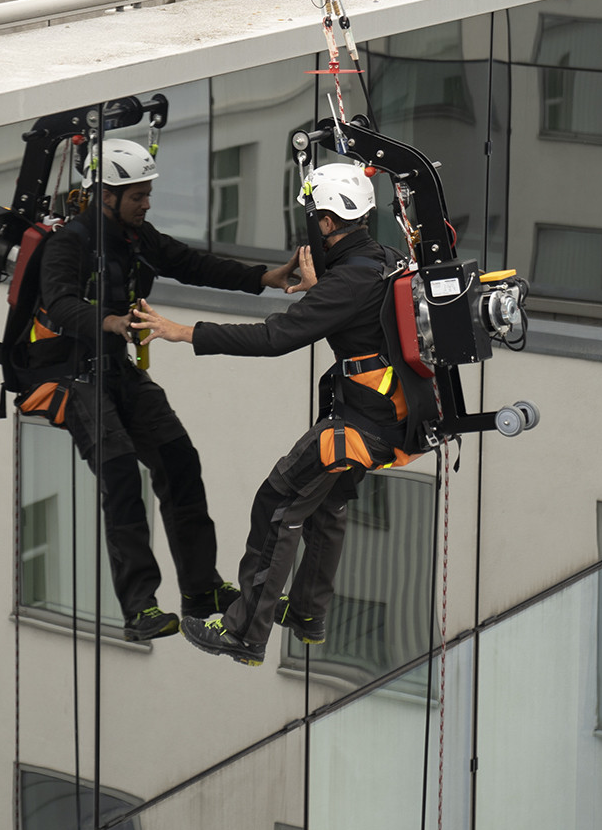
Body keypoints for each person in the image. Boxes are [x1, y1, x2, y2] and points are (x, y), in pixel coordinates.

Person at [30, 138, 311, 641]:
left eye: (147, 194)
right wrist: (112, 321)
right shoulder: (68, 244)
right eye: (137, 195)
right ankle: (140, 608)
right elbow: (60, 303)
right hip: (71, 373)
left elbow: (194, 264)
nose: (147, 203)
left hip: (116, 368)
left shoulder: (138, 238)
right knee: (120, 477)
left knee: (179, 461)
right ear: (106, 195)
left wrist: (265, 277)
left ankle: (201, 589)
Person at [131, 162, 407, 665]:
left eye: (312, 218)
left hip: (362, 424)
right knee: (326, 502)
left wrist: (183, 332)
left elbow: (273, 337)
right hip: (390, 418)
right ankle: (306, 613)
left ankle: (244, 632)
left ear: (326, 222)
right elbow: (359, 312)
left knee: (278, 501)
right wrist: (319, 289)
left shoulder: (347, 281)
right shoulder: (383, 259)